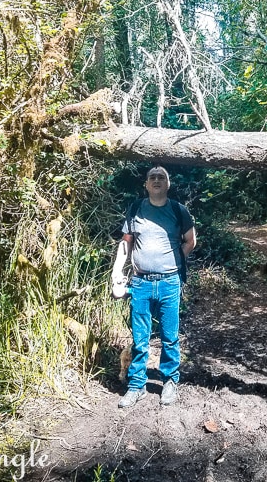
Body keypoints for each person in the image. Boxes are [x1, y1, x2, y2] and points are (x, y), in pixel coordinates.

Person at [111, 166, 196, 408]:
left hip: (169, 282)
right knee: (140, 339)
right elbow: (126, 244)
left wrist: (174, 261)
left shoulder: (179, 210)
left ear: (168, 184)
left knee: (170, 338)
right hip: (140, 283)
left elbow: (191, 240)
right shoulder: (136, 209)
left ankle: (169, 381)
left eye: (162, 177)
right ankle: (136, 385)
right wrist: (117, 271)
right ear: (146, 184)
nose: (156, 180)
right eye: (152, 177)